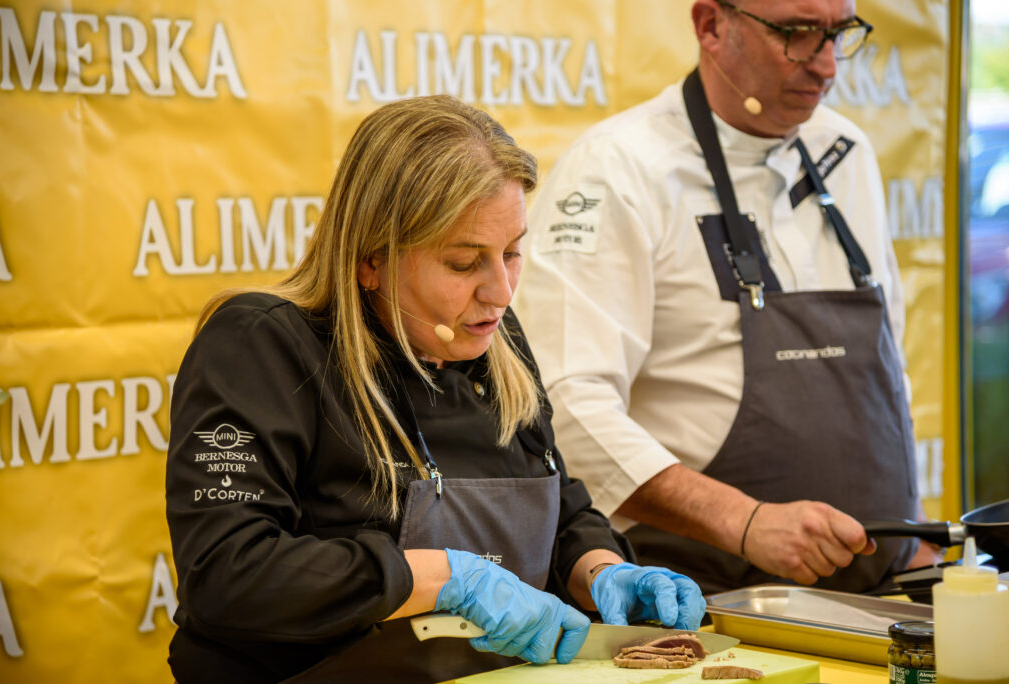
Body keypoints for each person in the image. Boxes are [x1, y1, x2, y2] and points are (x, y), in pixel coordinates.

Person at [164, 95, 705, 684]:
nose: (500, 291)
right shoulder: (263, 345)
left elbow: (556, 503)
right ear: (371, 258)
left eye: (513, 252)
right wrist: (444, 579)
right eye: (463, 262)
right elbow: (227, 575)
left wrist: (599, 570)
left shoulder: (493, 343)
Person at [515, 0, 942, 595]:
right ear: (711, 26)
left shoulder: (848, 152)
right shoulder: (616, 170)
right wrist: (743, 521)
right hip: (703, 604)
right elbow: (566, 405)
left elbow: (884, 371)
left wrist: (913, 536)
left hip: (879, 598)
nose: (827, 67)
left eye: (838, 34)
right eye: (796, 35)